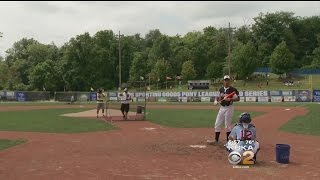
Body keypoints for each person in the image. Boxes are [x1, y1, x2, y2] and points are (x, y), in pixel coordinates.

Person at [208, 75, 240, 145]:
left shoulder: (233, 90)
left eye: (228, 80)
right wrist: (216, 100)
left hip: (229, 108)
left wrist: (230, 99)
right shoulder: (221, 89)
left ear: (229, 81)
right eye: (225, 80)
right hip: (222, 108)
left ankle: (228, 142)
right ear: (223, 81)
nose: (226, 81)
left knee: (227, 125)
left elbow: (238, 99)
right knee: (217, 123)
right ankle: (216, 140)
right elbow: (219, 96)